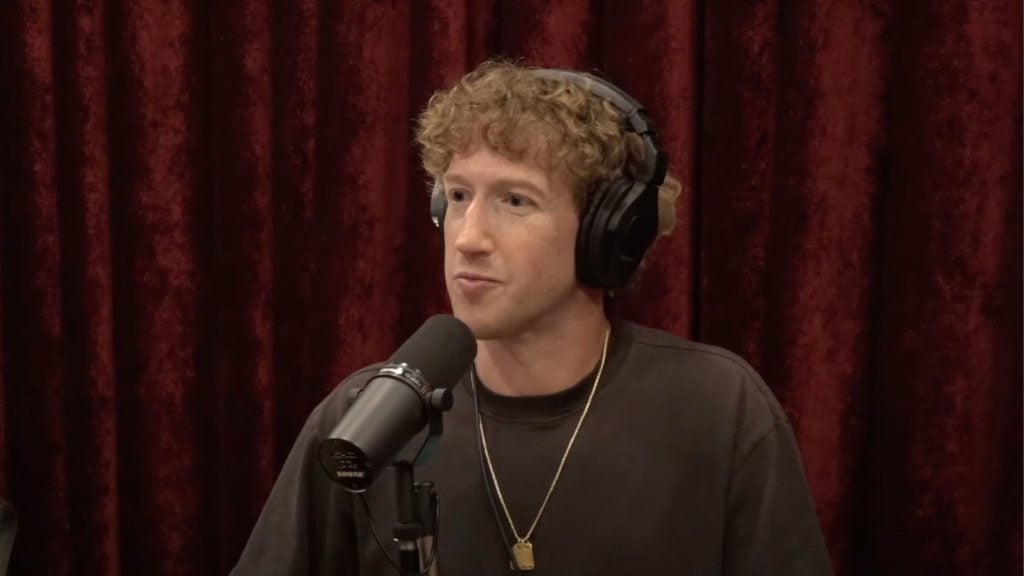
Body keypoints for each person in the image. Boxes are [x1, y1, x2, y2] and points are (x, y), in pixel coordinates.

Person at [231, 60, 832, 575]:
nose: (468, 237)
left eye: (515, 201)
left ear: (609, 232)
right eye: (458, 196)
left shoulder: (719, 409)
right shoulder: (367, 417)